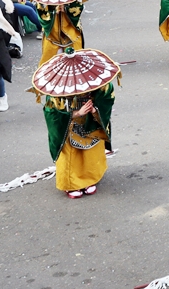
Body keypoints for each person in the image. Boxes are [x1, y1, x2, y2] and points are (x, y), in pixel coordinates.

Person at [35, 48, 119, 199]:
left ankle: (90, 179)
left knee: (90, 155)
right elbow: (51, 113)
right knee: (71, 157)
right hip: (69, 127)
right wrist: (74, 114)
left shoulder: (99, 84)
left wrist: (95, 110)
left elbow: (107, 99)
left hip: (91, 124)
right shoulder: (56, 92)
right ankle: (71, 184)